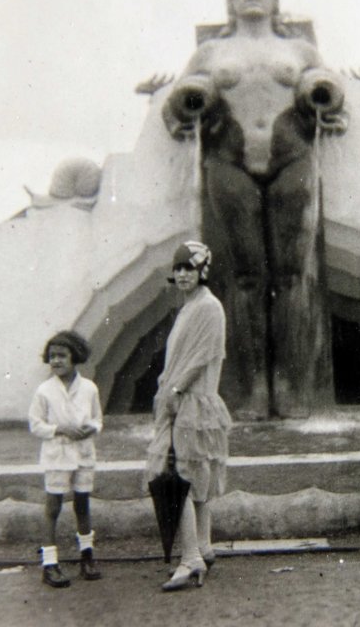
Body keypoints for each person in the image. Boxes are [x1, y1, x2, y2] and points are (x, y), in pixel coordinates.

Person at [162, 0, 348, 418]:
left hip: (292, 157)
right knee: (244, 275)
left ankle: (291, 384)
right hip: (230, 159)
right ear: (229, 1)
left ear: (275, 0)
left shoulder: (300, 50)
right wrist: (186, 105)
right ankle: (252, 386)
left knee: (291, 275)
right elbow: (176, 104)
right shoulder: (211, 52)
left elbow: (330, 93)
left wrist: (325, 97)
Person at [147, 241, 232, 591]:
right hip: (184, 398)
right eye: (178, 269)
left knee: (182, 478)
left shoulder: (208, 307)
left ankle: (190, 558)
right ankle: (204, 546)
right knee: (193, 475)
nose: (182, 274)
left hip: (191, 400)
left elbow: (204, 355)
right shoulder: (191, 306)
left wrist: (176, 390)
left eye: (189, 268)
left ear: (202, 272)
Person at [29, 330, 103, 588]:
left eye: (62, 355)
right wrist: (59, 429)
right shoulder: (45, 391)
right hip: (57, 455)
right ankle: (49, 564)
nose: (56, 361)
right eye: (52, 357)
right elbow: (36, 425)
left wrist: (91, 428)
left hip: (83, 453)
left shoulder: (89, 388)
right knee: (53, 507)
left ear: (75, 357)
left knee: (82, 505)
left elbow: (97, 419)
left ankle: (87, 557)